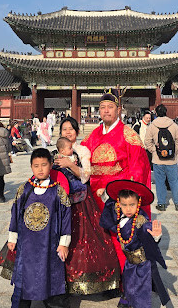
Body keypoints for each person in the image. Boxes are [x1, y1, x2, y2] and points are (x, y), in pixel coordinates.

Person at [81, 88, 152, 269]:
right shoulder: (92, 136)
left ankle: (125, 277)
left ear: (118, 110)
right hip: (94, 198)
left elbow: (139, 170)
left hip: (117, 199)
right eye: (102, 107)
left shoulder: (129, 136)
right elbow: (80, 157)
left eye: (110, 107)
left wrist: (124, 197)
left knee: (120, 239)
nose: (106, 111)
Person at [52, 122, 121, 295]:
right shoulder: (55, 153)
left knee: (87, 239)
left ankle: (93, 279)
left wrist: (70, 165)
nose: (68, 132)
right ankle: (58, 282)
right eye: (64, 129)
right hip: (60, 201)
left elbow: (86, 176)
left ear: (77, 131)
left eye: (71, 129)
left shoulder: (82, 151)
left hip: (81, 200)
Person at [6, 148, 71, 308]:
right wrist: (12, 237)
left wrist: (64, 243)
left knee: (50, 278)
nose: (40, 169)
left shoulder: (58, 191)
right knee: (24, 280)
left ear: (51, 165)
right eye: (36, 166)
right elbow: (16, 213)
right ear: (31, 167)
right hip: (27, 245)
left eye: (44, 165)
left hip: (49, 244)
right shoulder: (24, 189)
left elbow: (66, 218)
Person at [100, 180, 170, 308]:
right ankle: (126, 302)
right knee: (128, 284)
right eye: (124, 205)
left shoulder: (140, 221)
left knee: (140, 292)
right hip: (130, 262)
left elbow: (147, 234)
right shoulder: (120, 214)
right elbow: (110, 207)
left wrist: (156, 236)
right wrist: (104, 194)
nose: (128, 209)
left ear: (138, 203)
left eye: (132, 205)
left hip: (142, 265)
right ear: (119, 203)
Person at [144, 104, 178, 212]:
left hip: (158, 160)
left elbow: (147, 141)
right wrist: (175, 152)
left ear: (156, 113)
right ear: (166, 112)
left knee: (160, 182)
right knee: (174, 181)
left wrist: (154, 151)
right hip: (171, 160)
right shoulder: (173, 125)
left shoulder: (152, 126)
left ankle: (161, 204)